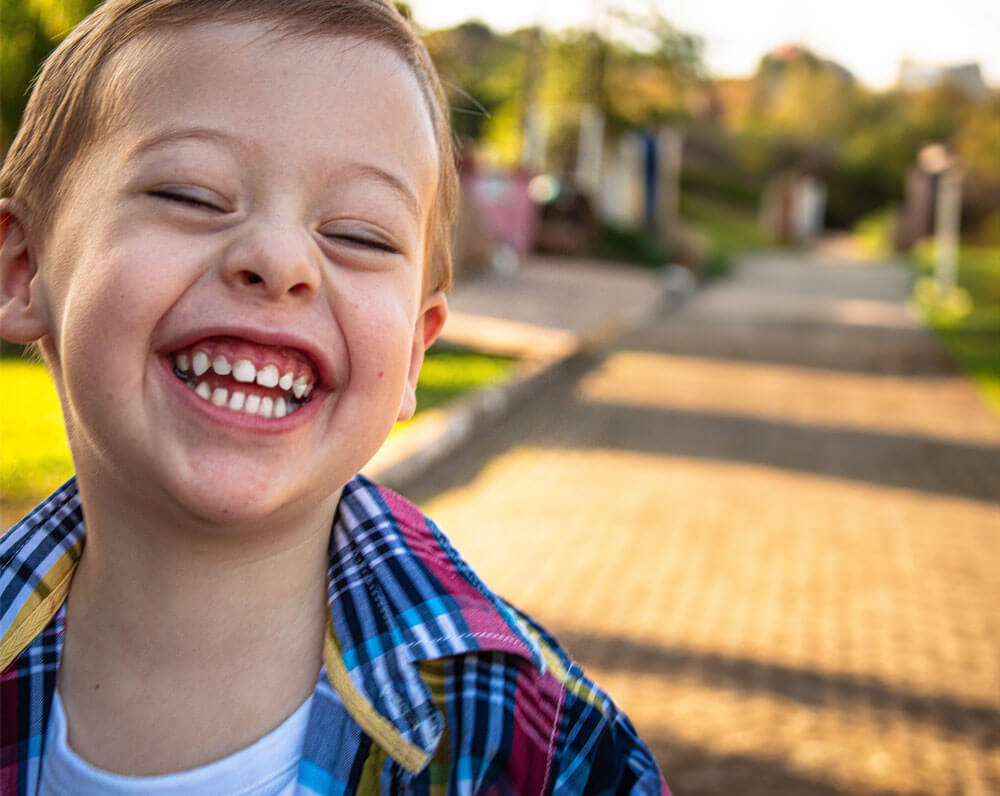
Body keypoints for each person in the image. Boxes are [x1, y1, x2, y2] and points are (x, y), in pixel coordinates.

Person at [0, 1, 669, 793]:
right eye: (190, 194)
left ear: (416, 350)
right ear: (23, 270)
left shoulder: (543, 749)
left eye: (360, 234)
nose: (281, 259)